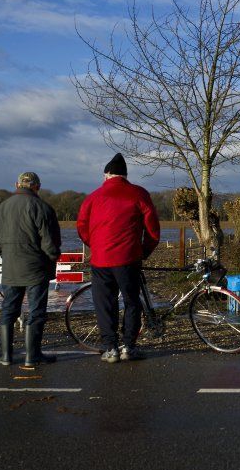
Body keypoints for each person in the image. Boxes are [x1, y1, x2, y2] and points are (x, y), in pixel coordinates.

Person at [76, 153, 160, 363]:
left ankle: (110, 347)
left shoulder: (92, 197)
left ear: (106, 175)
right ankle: (129, 346)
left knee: (105, 303)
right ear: (125, 175)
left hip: (101, 259)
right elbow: (152, 230)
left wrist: (95, 245)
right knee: (132, 302)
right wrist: (143, 251)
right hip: (129, 258)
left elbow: (82, 228)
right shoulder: (138, 194)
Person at [0, 172, 62, 367]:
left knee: (9, 309)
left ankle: (6, 356)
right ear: (37, 186)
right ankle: (32, 355)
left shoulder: (2, 208)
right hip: (36, 268)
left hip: (11, 267)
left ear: (17, 184)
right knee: (36, 310)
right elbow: (50, 242)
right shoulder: (42, 207)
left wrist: (7, 255)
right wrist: (54, 256)